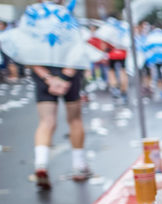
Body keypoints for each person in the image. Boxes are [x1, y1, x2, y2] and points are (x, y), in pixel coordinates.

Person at [0, 1, 106, 188]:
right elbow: (79, 48)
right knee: (75, 120)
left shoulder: (32, 15)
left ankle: (41, 164)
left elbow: (24, 49)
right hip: (69, 73)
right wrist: (65, 77)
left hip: (43, 73)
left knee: (46, 121)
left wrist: (47, 78)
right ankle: (79, 165)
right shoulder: (67, 15)